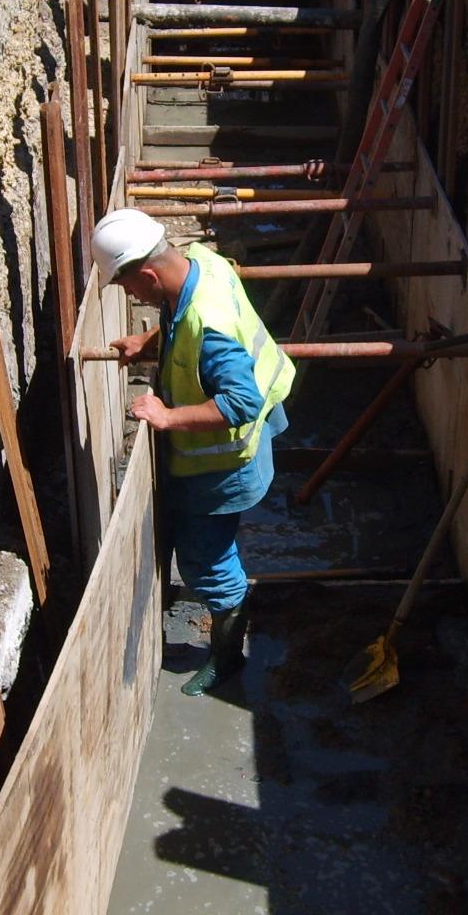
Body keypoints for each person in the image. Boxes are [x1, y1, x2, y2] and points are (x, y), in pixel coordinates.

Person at [94, 209, 295, 697]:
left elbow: (241, 401)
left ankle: (228, 657)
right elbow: (182, 318)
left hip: (224, 462)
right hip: (245, 445)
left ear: (146, 274)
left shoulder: (211, 327)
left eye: (127, 288)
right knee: (209, 545)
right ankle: (226, 613)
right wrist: (149, 340)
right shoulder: (200, 263)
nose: (131, 296)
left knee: (206, 559)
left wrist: (167, 417)